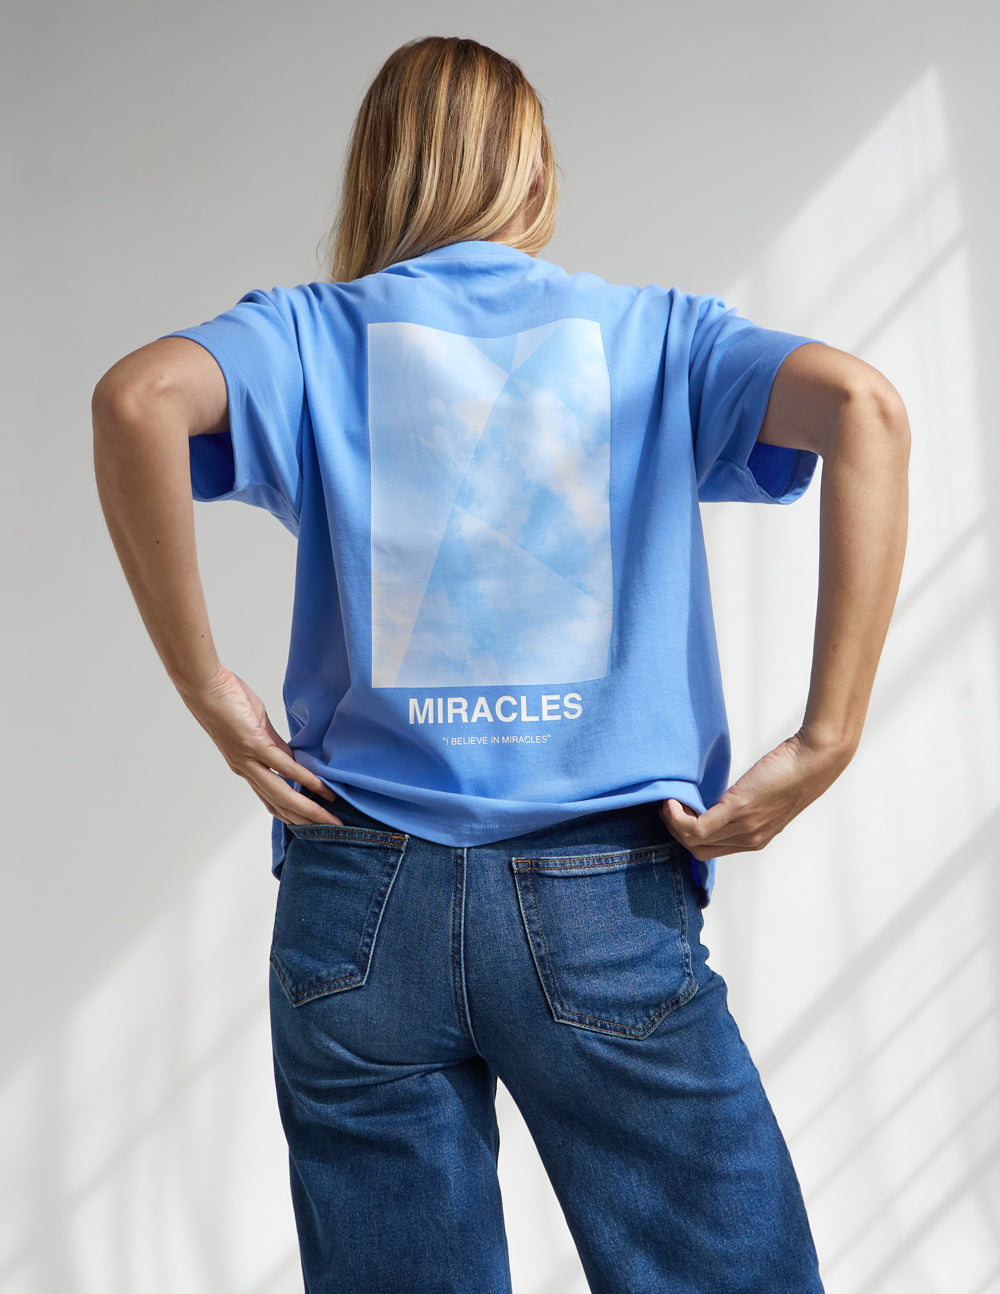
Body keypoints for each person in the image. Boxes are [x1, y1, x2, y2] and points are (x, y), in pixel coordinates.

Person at [92, 34, 909, 1294]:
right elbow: (865, 406)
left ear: (377, 173)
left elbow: (136, 398)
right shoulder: (658, 337)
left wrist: (208, 688)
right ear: (533, 173)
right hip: (602, 899)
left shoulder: (305, 336)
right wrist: (828, 735)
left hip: (357, 896)